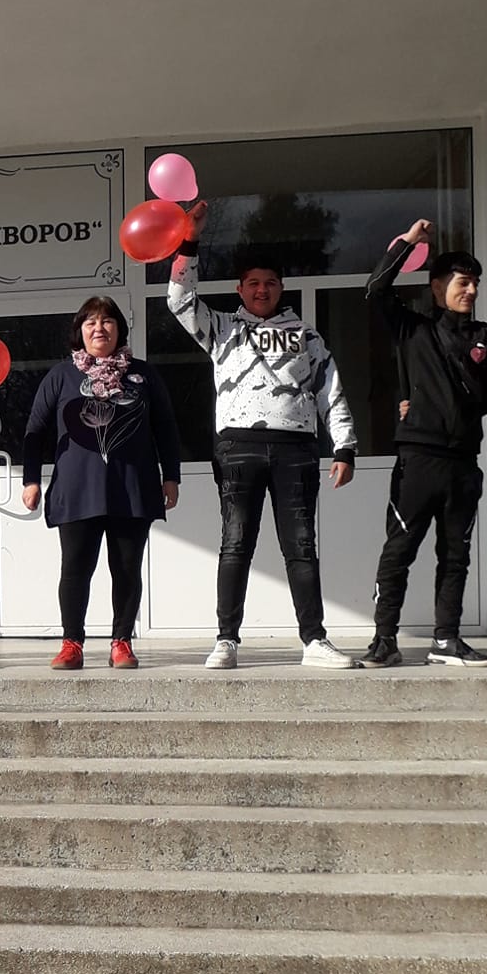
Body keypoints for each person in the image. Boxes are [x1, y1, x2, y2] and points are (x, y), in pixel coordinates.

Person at [169, 215, 359, 670]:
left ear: (281, 288)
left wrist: (345, 446)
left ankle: (314, 640)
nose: (261, 290)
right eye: (253, 283)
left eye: (270, 283)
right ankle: (226, 639)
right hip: (238, 449)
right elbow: (178, 300)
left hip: (296, 450)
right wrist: (189, 241)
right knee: (236, 543)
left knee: (301, 546)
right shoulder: (221, 329)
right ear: (240, 289)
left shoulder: (305, 335)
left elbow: (330, 389)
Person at [21, 296, 182, 670]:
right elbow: (35, 430)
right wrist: (30, 480)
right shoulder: (62, 375)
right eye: (90, 322)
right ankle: (71, 644)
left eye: (107, 321)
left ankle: (121, 642)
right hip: (77, 489)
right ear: (79, 331)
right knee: (75, 570)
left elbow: (166, 427)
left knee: (126, 569)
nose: (99, 328)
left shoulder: (142, 374)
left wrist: (171, 475)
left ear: (119, 329)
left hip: (132, 487)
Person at [363, 219, 487, 667]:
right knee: (399, 550)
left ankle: (446, 640)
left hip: (464, 463)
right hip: (418, 461)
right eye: (462, 282)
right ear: (438, 287)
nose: (471, 290)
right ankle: (384, 639)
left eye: (475, 283)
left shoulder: (486, 338)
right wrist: (408, 242)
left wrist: (460, 407)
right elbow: (376, 290)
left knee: (456, 556)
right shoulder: (413, 329)